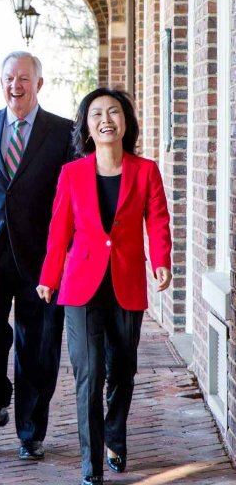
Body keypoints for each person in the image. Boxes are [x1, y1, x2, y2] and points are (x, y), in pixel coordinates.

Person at [37, 88, 172, 485]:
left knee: (123, 370)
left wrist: (162, 261)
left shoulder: (145, 170)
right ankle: (90, 466)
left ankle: (115, 433)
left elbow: (158, 220)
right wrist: (49, 276)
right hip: (80, 285)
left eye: (114, 112)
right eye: (96, 114)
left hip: (126, 282)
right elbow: (59, 229)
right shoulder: (72, 174)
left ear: (125, 123)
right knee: (89, 373)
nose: (106, 119)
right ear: (87, 127)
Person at [0, 51, 74, 460]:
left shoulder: (64, 133)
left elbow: (73, 198)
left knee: (37, 344)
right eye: (8, 78)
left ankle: (30, 431)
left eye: (23, 78)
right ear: (0, 81)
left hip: (42, 258)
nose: (15, 86)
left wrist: (68, 252)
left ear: (39, 84)